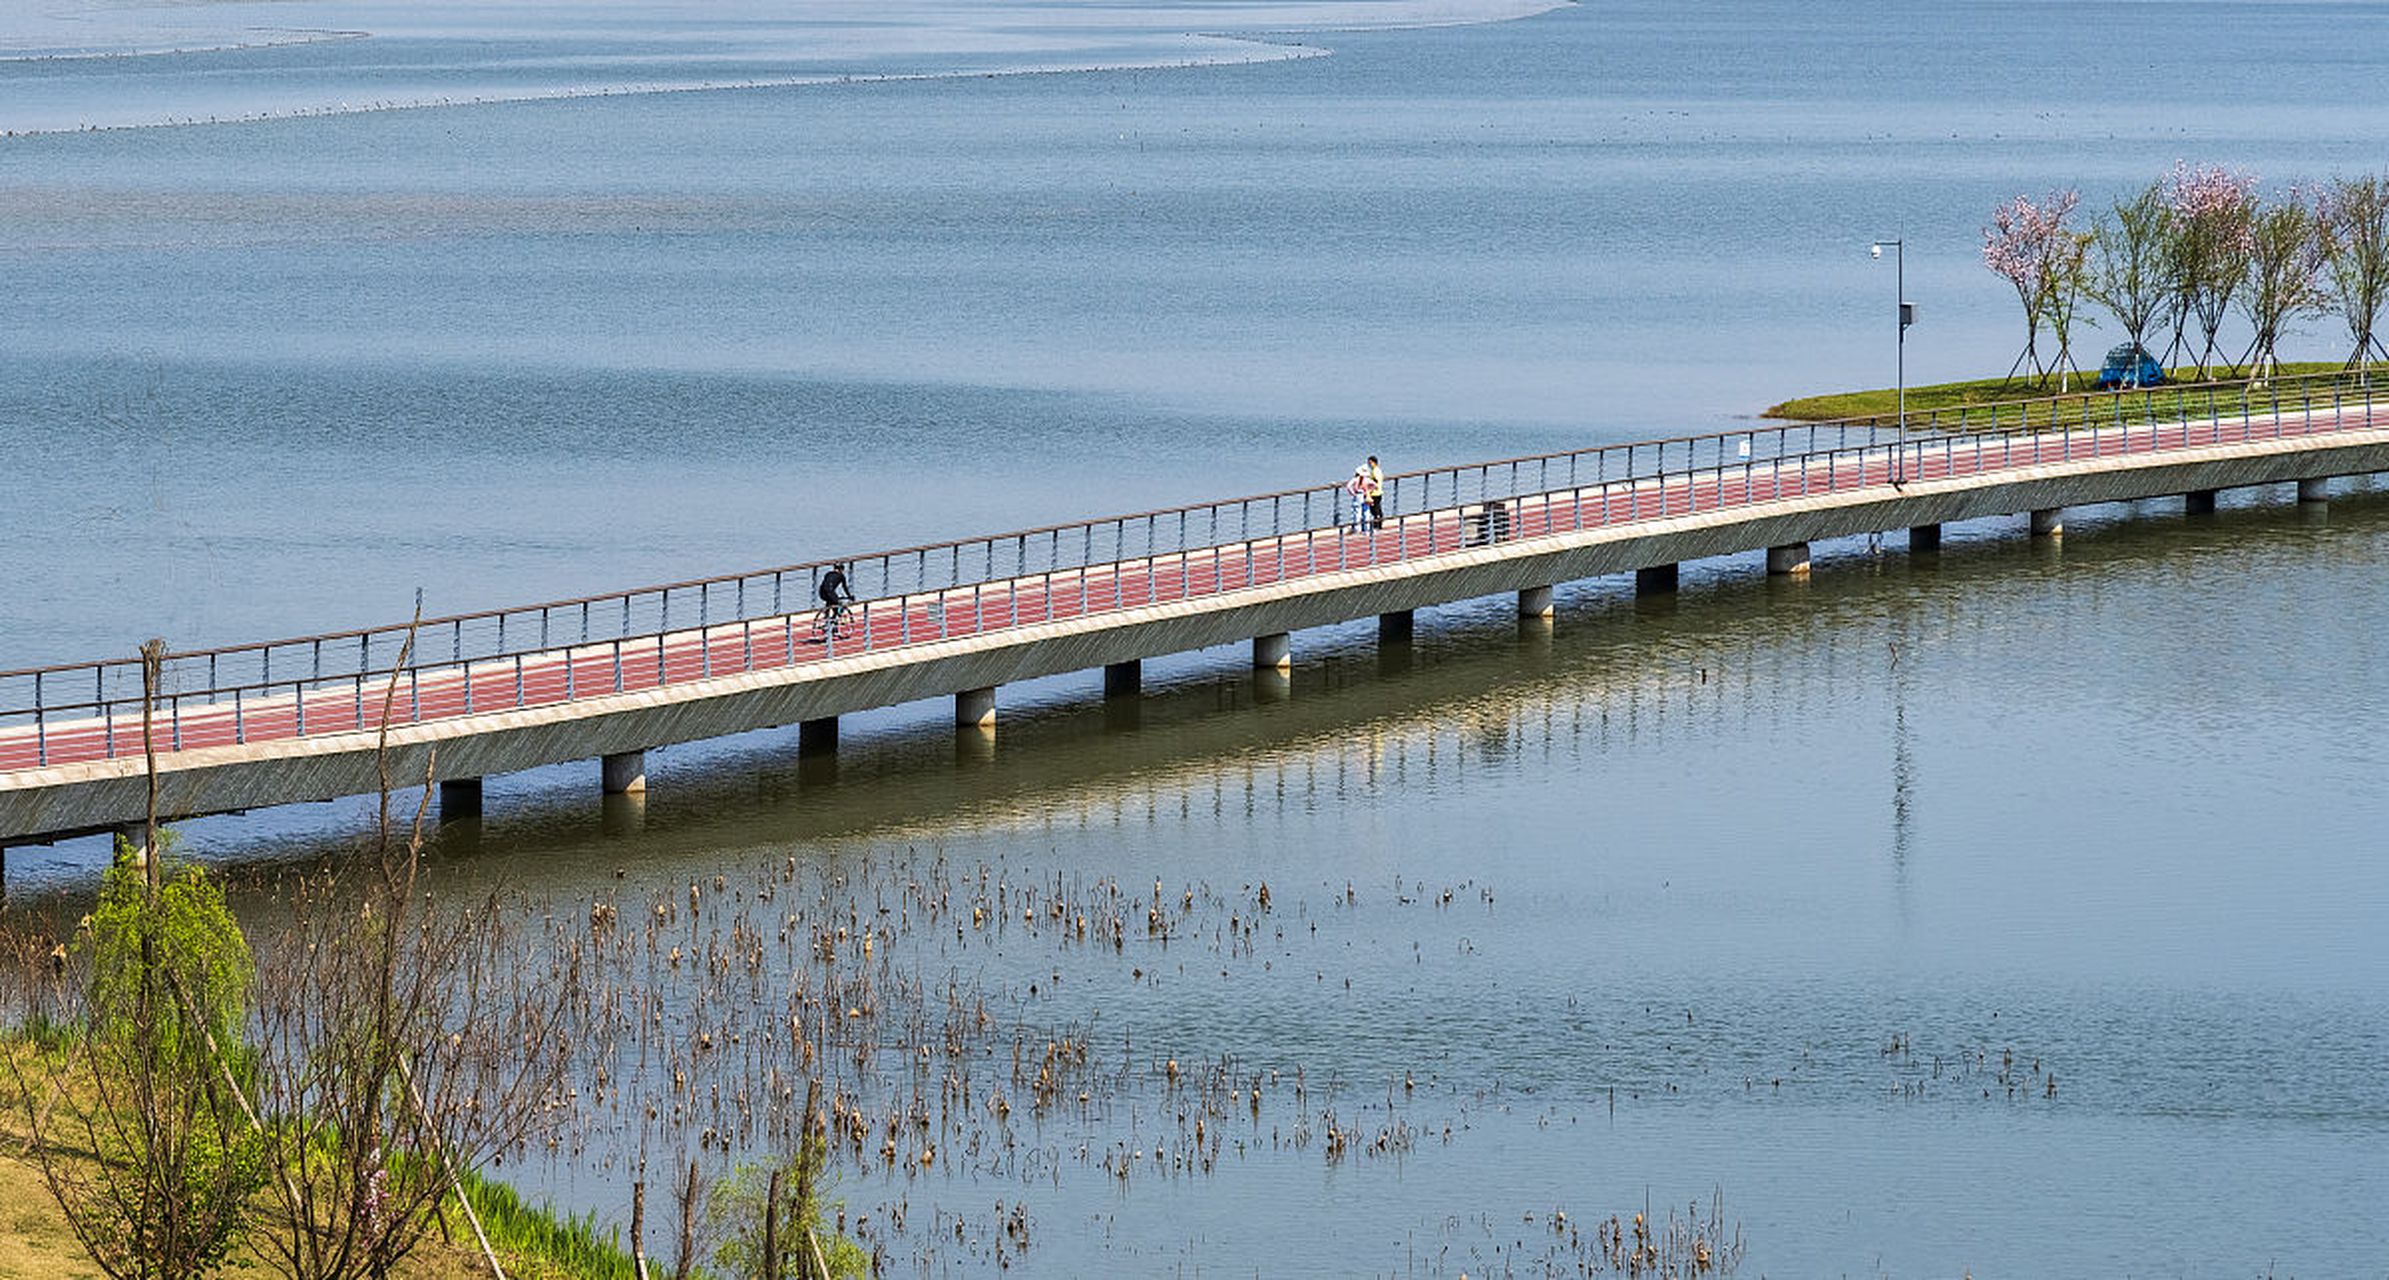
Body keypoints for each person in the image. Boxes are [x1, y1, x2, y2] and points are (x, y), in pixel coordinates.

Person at [812, 563, 855, 641]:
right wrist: (850, 596)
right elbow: (845, 588)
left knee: (830, 603)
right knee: (838, 606)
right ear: (841, 570)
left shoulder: (828, 573)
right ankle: (833, 626)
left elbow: (826, 584)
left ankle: (827, 619)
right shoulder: (841, 576)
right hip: (830, 592)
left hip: (822, 592)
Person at [1345, 465, 1371, 532]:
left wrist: (1352, 493)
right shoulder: (1367, 479)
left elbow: (1348, 486)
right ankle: (1367, 528)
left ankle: (1357, 529)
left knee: (1357, 512)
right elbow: (1375, 485)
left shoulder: (1355, 479)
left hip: (1358, 495)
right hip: (1365, 495)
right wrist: (1369, 491)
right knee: (1366, 512)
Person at [1365, 455, 1385, 530]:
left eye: (1370, 463)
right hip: (1379, 492)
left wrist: (1370, 486)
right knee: (1378, 509)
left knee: (1374, 510)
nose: (1369, 464)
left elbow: (1375, 481)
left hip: (1375, 493)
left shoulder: (1375, 471)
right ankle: (1379, 524)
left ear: (1374, 463)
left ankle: (1377, 525)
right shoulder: (1378, 470)